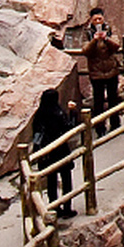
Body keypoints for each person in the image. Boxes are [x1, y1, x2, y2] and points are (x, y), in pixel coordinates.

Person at [30, 89, 79, 220]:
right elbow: (69, 128)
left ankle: (54, 207)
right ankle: (67, 207)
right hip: (61, 151)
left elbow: (36, 133)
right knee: (66, 180)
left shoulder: (39, 114)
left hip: (47, 154)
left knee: (52, 182)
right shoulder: (58, 113)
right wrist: (73, 113)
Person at [81, 9, 124, 133]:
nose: (97, 21)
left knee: (113, 98)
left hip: (111, 70)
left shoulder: (110, 29)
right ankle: (100, 127)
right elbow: (85, 50)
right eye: (95, 19)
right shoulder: (87, 33)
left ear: (103, 18)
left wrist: (106, 38)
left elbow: (117, 46)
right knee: (98, 101)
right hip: (96, 73)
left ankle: (115, 124)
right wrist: (94, 40)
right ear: (91, 20)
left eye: (99, 19)